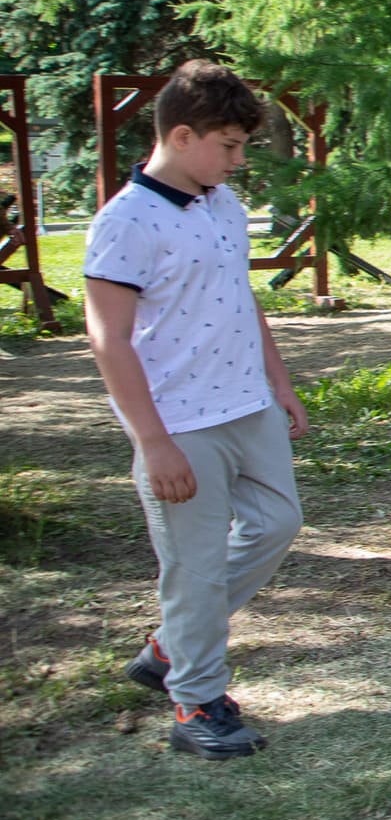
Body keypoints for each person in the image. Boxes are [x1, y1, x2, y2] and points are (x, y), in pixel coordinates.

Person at [86, 61, 308, 760]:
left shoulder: (222, 205)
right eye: (230, 146)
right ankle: (197, 701)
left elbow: (242, 302)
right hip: (179, 422)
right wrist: (153, 443)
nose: (239, 162)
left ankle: (170, 645)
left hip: (247, 405)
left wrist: (279, 382)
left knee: (278, 523)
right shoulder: (125, 222)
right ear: (182, 135)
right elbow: (108, 339)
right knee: (195, 568)